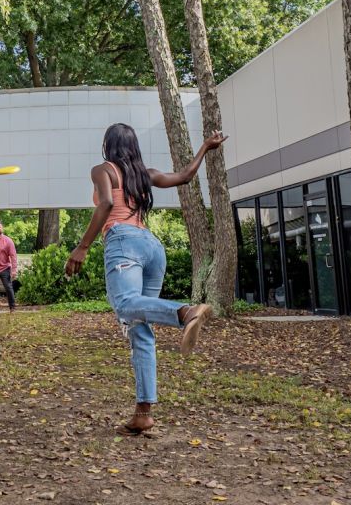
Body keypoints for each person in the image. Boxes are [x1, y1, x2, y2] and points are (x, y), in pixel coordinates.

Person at [64, 122, 228, 436]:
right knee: (140, 328)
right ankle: (143, 413)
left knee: (126, 305)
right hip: (153, 247)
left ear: (108, 145)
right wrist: (206, 147)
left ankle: (185, 312)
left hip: (124, 242)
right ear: (134, 145)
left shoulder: (103, 170)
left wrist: (82, 247)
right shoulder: (144, 173)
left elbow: (107, 204)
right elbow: (185, 176)